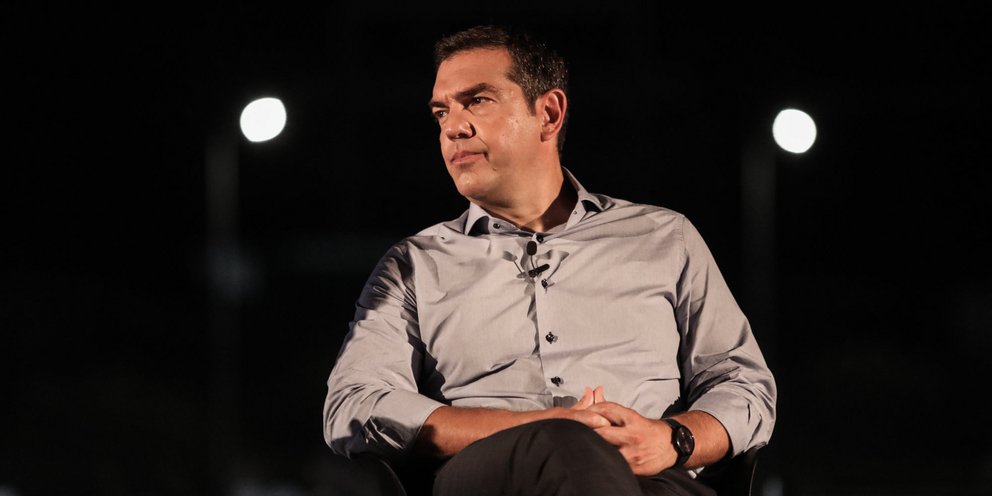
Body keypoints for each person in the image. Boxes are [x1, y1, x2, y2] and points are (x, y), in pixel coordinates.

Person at [323, 25, 776, 496]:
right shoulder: (413, 265)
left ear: (548, 113)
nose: (453, 127)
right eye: (442, 111)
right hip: (491, 479)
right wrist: (541, 426)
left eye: (477, 101)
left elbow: (744, 384)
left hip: (653, 479)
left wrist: (672, 439)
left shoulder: (665, 237)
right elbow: (353, 405)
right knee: (565, 446)